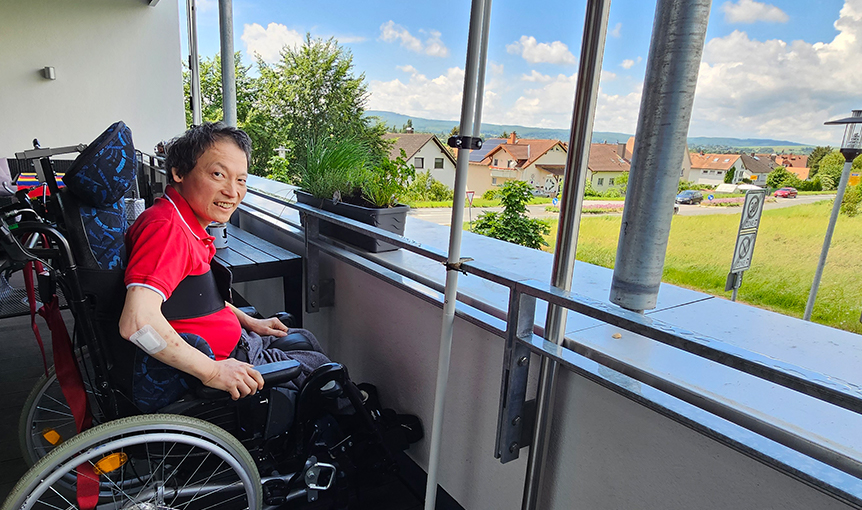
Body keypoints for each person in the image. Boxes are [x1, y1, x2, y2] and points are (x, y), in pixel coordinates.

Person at [119, 122, 321, 401]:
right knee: (324, 371)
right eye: (218, 174)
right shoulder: (168, 231)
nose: (232, 191)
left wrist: (250, 322)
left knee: (306, 340)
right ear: (178, 172)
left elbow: (190, 298)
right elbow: (137, 322)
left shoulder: (179, 220)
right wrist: (213, 372)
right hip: (224, 360)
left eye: (241, 180)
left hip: (235, 341)